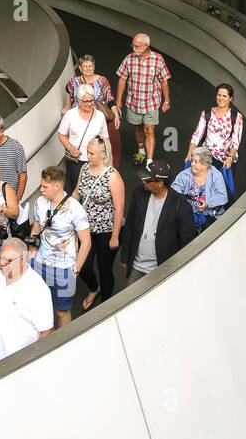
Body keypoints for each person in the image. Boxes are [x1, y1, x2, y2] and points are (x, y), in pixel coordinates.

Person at [27, 165, 91, 328]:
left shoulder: (75, 209)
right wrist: (31, 254)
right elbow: (36, 226)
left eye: (44, 186)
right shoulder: (39, 203)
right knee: (36, 306)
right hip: (39, 263)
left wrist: (75, 270)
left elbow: (86, 242)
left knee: (62, 311)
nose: (40, 189)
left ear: (58, 186)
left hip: (63, 269)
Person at [0, 238, 54, 367]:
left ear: (22, 260)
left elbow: (46, 331)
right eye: (0, 258)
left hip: (21, 365)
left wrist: (31, 363)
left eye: (7, 260)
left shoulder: (38, 290)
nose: (1, 264)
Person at [121, 161, 196, 284]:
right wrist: (125, 257)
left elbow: (187, 242)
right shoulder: (139, 193)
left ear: (160, 183)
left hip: (163, 271)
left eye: (148, 180)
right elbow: (130, 226)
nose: (143, 182)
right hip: (136, 267)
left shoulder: (181, 205)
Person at [74, 136, 125, 312]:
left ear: (103, 156)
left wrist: (115, 236)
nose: (87, 155)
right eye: (87, 152)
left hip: (107, 230)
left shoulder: (113, 176)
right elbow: (77, 193)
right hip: (86, 229)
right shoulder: (84, 168)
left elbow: (119, 209)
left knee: (104, 269)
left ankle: (105, 305)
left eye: (91, 153)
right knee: (84, 266)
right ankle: (94, 289)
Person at [115, 32, 172, 168]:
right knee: (138, 128)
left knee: (149, 130)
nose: (133, 49)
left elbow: (164, 81)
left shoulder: (157, 59)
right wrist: (118, 100)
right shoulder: (129, 59)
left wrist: (166, 101)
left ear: (146, 46)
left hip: (151, 102)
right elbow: (122, 79)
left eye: (136, 46)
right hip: (133, 102)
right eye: (133, 46)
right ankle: (141, 152)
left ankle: (149, 161)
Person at [187, 83, 243, 200]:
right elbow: (197, 136)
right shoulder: (206, 114)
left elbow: (235, 141)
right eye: (219, 95)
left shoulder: (236, 117)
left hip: (225, 160)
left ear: (230, 98)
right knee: (203, 187)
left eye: (225, 96)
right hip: (207, 157)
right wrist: (189, 155)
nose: (221, 98)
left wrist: (230, 158)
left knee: (223, 192)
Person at [64, 53, 120, 167]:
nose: (88, 69)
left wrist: (116, 115)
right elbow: (68, 90)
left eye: (90, 66)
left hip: (97, 116)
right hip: (78, 115)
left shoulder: (102, 80)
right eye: (85, 66)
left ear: (94, 67)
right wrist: (67, 105)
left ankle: (101, 164)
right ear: (80, 68)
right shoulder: (74, 81)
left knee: (98, 141)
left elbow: (110, 99)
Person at [58, 85, 108, 193]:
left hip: (95, 160)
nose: (89, 104)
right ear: (78, 100)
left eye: (92, 100)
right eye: (86, 101)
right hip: (76, 160)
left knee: (94, 190)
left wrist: (109, 160)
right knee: (76, 189)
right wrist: (71, 148)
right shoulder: (70, 115)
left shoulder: (100, 116)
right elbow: (61, 134)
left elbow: (105, 139)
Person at [172, 146, 229, 228]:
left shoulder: (216, 175)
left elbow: (222, 197)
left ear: (205, 165)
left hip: (210, 215)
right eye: (192, 161)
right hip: (188, 213)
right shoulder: (185, 175)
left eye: (196, 162)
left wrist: (208, 204)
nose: (192, 164)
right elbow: (173, 192)